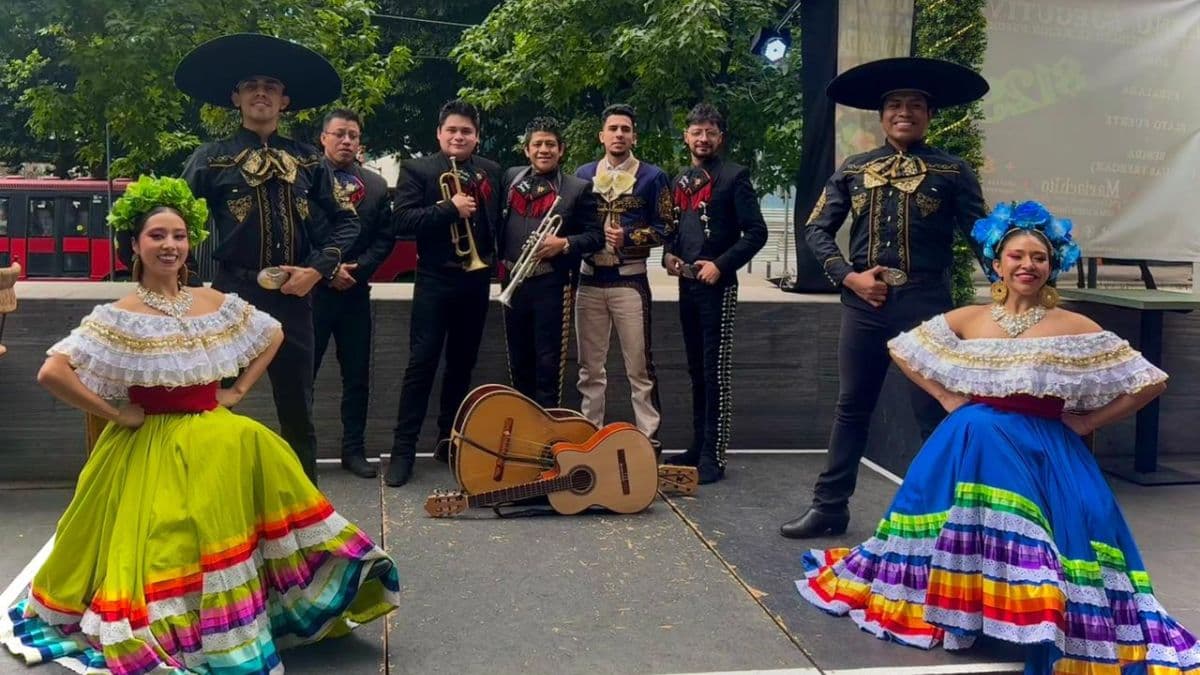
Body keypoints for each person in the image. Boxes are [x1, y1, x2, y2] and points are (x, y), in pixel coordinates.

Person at [1, 176, 398, 673]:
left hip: (221, 438)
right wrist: (118, 413)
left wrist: (234, 392)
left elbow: (272, 333)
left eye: (179, 236)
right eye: (157, 236)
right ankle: (191, 627)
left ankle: (250, 613)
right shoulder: (118, 315)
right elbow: (52, 371)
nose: (170, 245)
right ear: (135, 246)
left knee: (230, 533)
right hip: (151, 447)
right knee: (171, 544)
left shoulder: (212, 301)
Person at [795, 199, 1200, 674]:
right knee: (958, 532)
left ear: (1053, 266)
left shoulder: (1075, 326)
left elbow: (1150, 381)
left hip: (1041, 451)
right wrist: (947, 399)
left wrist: (1087, 423)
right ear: (996, 262)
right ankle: (965, 615)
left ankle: (1021, 620)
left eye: (1039, 258)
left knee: (1060, 542)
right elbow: (902, 348)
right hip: (965, 445)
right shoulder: (969, 317)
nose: (1027, 265)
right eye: (1017, 256)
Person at [780, 57, 990, 539]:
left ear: (929, 114)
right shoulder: (854, 169)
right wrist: (848, 277)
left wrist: (1009, 283)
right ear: (881, 115)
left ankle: (948, 519)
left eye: (915, 105)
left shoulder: (954, 171)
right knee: (852, 406)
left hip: (926, 306)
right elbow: (816, 229)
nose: (905, 112)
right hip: (864, 307)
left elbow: (980, 236)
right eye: (895, 104)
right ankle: (829, 507)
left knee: (933, 409)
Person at [176, 33, 361, 484]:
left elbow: (347, 222)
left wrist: (317, 270)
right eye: (252, 84)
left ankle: (307, 511)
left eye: (272, 86)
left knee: (298, 406)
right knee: (212, 398)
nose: (262, 92)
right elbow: (172, 219)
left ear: (285, 101)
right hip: (231, 297)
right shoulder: (210, 159)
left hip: (294, 300)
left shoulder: (310, 160)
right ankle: (205, 498)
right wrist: (188, 283)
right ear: (236, 97)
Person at [385, 99, 501, 487]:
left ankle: (449, 443)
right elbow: (401, 220)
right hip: (435, 279)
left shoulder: (491, 172)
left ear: (476, 137)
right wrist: (449, 209)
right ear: (439, 133)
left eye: (466, 131)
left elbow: (495, 223)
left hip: (475, 280)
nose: (458, 136)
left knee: (462, 366)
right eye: (452, 130)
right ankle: (403, 452)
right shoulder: (419, 170)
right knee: (421, 364)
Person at [662, 103, 767, 484]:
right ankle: (697, 445)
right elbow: (674, 231)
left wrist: (721, 265)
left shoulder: (735, 176)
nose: (702, 138)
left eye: (710, 132)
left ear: (720, 138)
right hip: (686, 285)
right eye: (696, 132)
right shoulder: (680, 180)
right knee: (695, 370)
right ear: (686, 136)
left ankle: (714, 455)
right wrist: (669, 257)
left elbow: (757, 233)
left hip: (718, 286)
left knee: (715, 373)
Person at [574, 104, 674, 450]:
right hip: (588, 280)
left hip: (630, 281)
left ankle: (647, 442)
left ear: (634, 135)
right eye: (613, 128)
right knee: (589, 369)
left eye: (625, 129)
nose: (619, 134)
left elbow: (666, 228)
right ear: (601, 135)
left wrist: (631, 238)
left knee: (639, 367)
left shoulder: (653, 176)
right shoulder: (583, 174)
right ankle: (587, 439)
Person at [312, 108, 395, 479]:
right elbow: (297, 233)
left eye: (354, 136)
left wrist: (358, 270)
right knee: (304, 376)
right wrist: (327, 270)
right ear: (323, 138)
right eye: (339, 134)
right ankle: (301, 451)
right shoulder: (304, 179)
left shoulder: (376, 186)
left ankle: (354, 450)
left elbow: (384, 237)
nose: (347, 141)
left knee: (358, 376)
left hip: (356, 293)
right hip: (312, 293)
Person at [499, 116, 604, 408]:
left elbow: (596, 237)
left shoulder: (577, 188)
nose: (543, 150)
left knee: (548, 364)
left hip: (551, 284)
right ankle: (521, 430)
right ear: (527, 150)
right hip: (513, 282)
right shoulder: (511, 178)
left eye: (550, 144)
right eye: (537, 144)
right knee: (518, 362)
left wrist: (564, 244)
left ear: (561, 149)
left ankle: (546, 433)